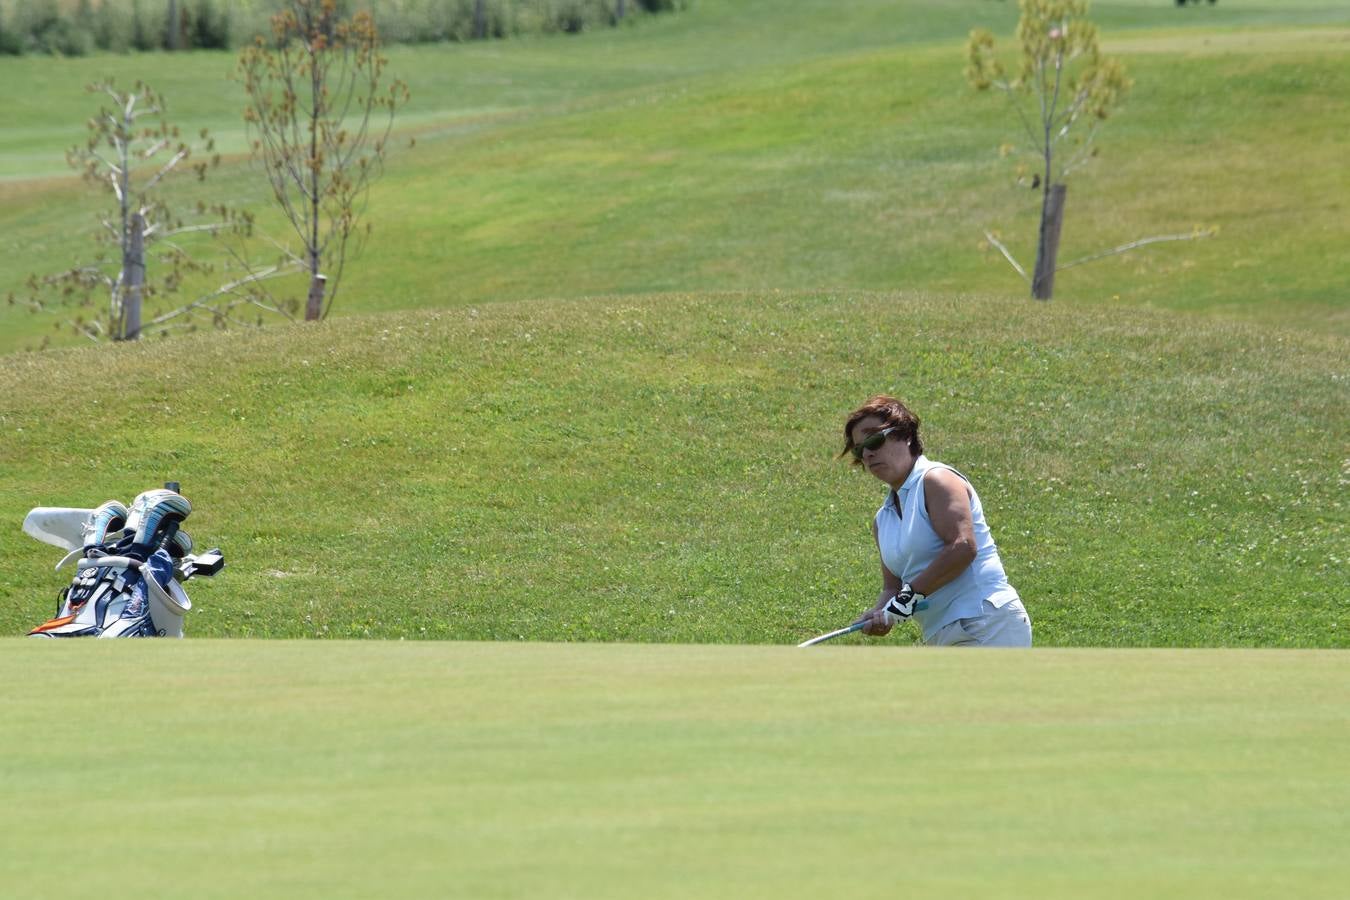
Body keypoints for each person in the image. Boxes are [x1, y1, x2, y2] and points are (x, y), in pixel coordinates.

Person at [841, 395, 1032, 647]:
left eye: (875, 440)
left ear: (905, 434)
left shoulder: (936, 480)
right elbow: (892, 588)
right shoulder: (882, 519)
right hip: (941, 635)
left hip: (985, 621)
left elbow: (963, 546)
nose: (867, 453)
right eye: (859, 449)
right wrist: (880, 613)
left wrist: (908, 597)